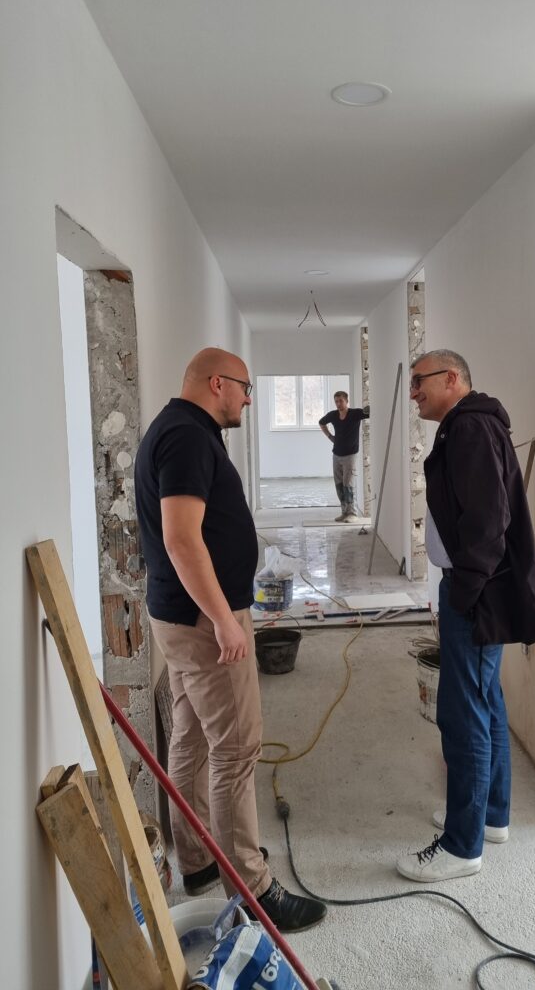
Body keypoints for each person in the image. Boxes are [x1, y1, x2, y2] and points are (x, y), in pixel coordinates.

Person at [135, 347, 326, 932]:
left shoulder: (179, 429)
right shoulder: (187, 437)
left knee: (192, 737)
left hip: (180, 616)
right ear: (217, 383)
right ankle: (253, 887)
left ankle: (197, 860)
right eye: (245, 387)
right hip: (201, 622)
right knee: (237, 747)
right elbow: (180, 539)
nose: (248, 398)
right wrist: (223, 618)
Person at [397, 350, 535, 883]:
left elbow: (488, 523)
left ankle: (462, 846)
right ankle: (490, 816)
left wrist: (462, 592)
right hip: (478, 588)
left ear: (452, 379)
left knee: (462, 715)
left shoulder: (469, 429)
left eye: (419, 381)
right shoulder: (471, 425)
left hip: (476, 592)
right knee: (486, 702)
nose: (413, 392)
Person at [318, 391, 370, 521]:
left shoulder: (355, 413)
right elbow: (321, 422)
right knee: (339, 485)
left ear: (346, 401)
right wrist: (330, 436)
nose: (338, 404)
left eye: (341, 401)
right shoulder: (333, 415)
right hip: (336, 454)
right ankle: (344, 512)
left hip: (350, 455)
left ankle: (352, 513)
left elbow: (370, 412)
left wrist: (372, 403)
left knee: (348, 484)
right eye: (336, 401)